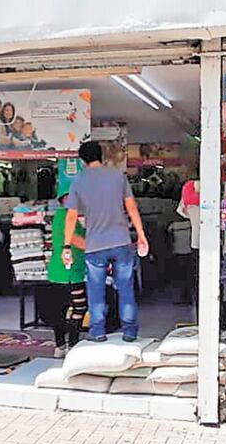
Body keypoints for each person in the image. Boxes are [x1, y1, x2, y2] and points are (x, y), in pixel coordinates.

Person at [62, 141, 148, 342]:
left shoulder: (78, 182)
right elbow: (132, 208)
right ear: (101, 156)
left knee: (96, 290)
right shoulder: (118, 176)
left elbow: (71, 217)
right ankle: (129, 332)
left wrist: (66, 245)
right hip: (121, 242)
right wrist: (141, 234)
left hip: (95, 245)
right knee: (126, 288)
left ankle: (98, 332)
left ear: (82, 160)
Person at [44, 177, 87, 357]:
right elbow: (76, 240)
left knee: (61, 309)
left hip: (60, 270)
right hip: (69, 271)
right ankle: (71, 344)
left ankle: (61, 345)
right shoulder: (66, 216)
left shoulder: (64, 216)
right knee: (78, 307)